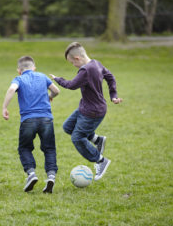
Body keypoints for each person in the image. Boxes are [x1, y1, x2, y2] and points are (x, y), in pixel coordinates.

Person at [49, 42, 122, 181]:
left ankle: (101, 161)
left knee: (77, 138)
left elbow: (71, 85)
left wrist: (57, 79)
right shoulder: (96, 63)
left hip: (92, 112)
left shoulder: (86, 70)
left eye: (72, 63)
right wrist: (113, 96)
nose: (73, 66)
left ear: (77, 58)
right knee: (68, 127)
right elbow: (110, 76)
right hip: (86, 107)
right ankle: (97, 140)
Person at [2, 56, 60, 193]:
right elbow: (57, 91)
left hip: (28, 120)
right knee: (49, 148)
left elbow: (11, 90)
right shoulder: (42, 76)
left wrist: (4, 107)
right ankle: (51, 177)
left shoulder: (19, 79)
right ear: (34, 68)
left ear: (19, 70)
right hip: (46, 119)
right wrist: (50, 96)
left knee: (24, 148)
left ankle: (31, 174)